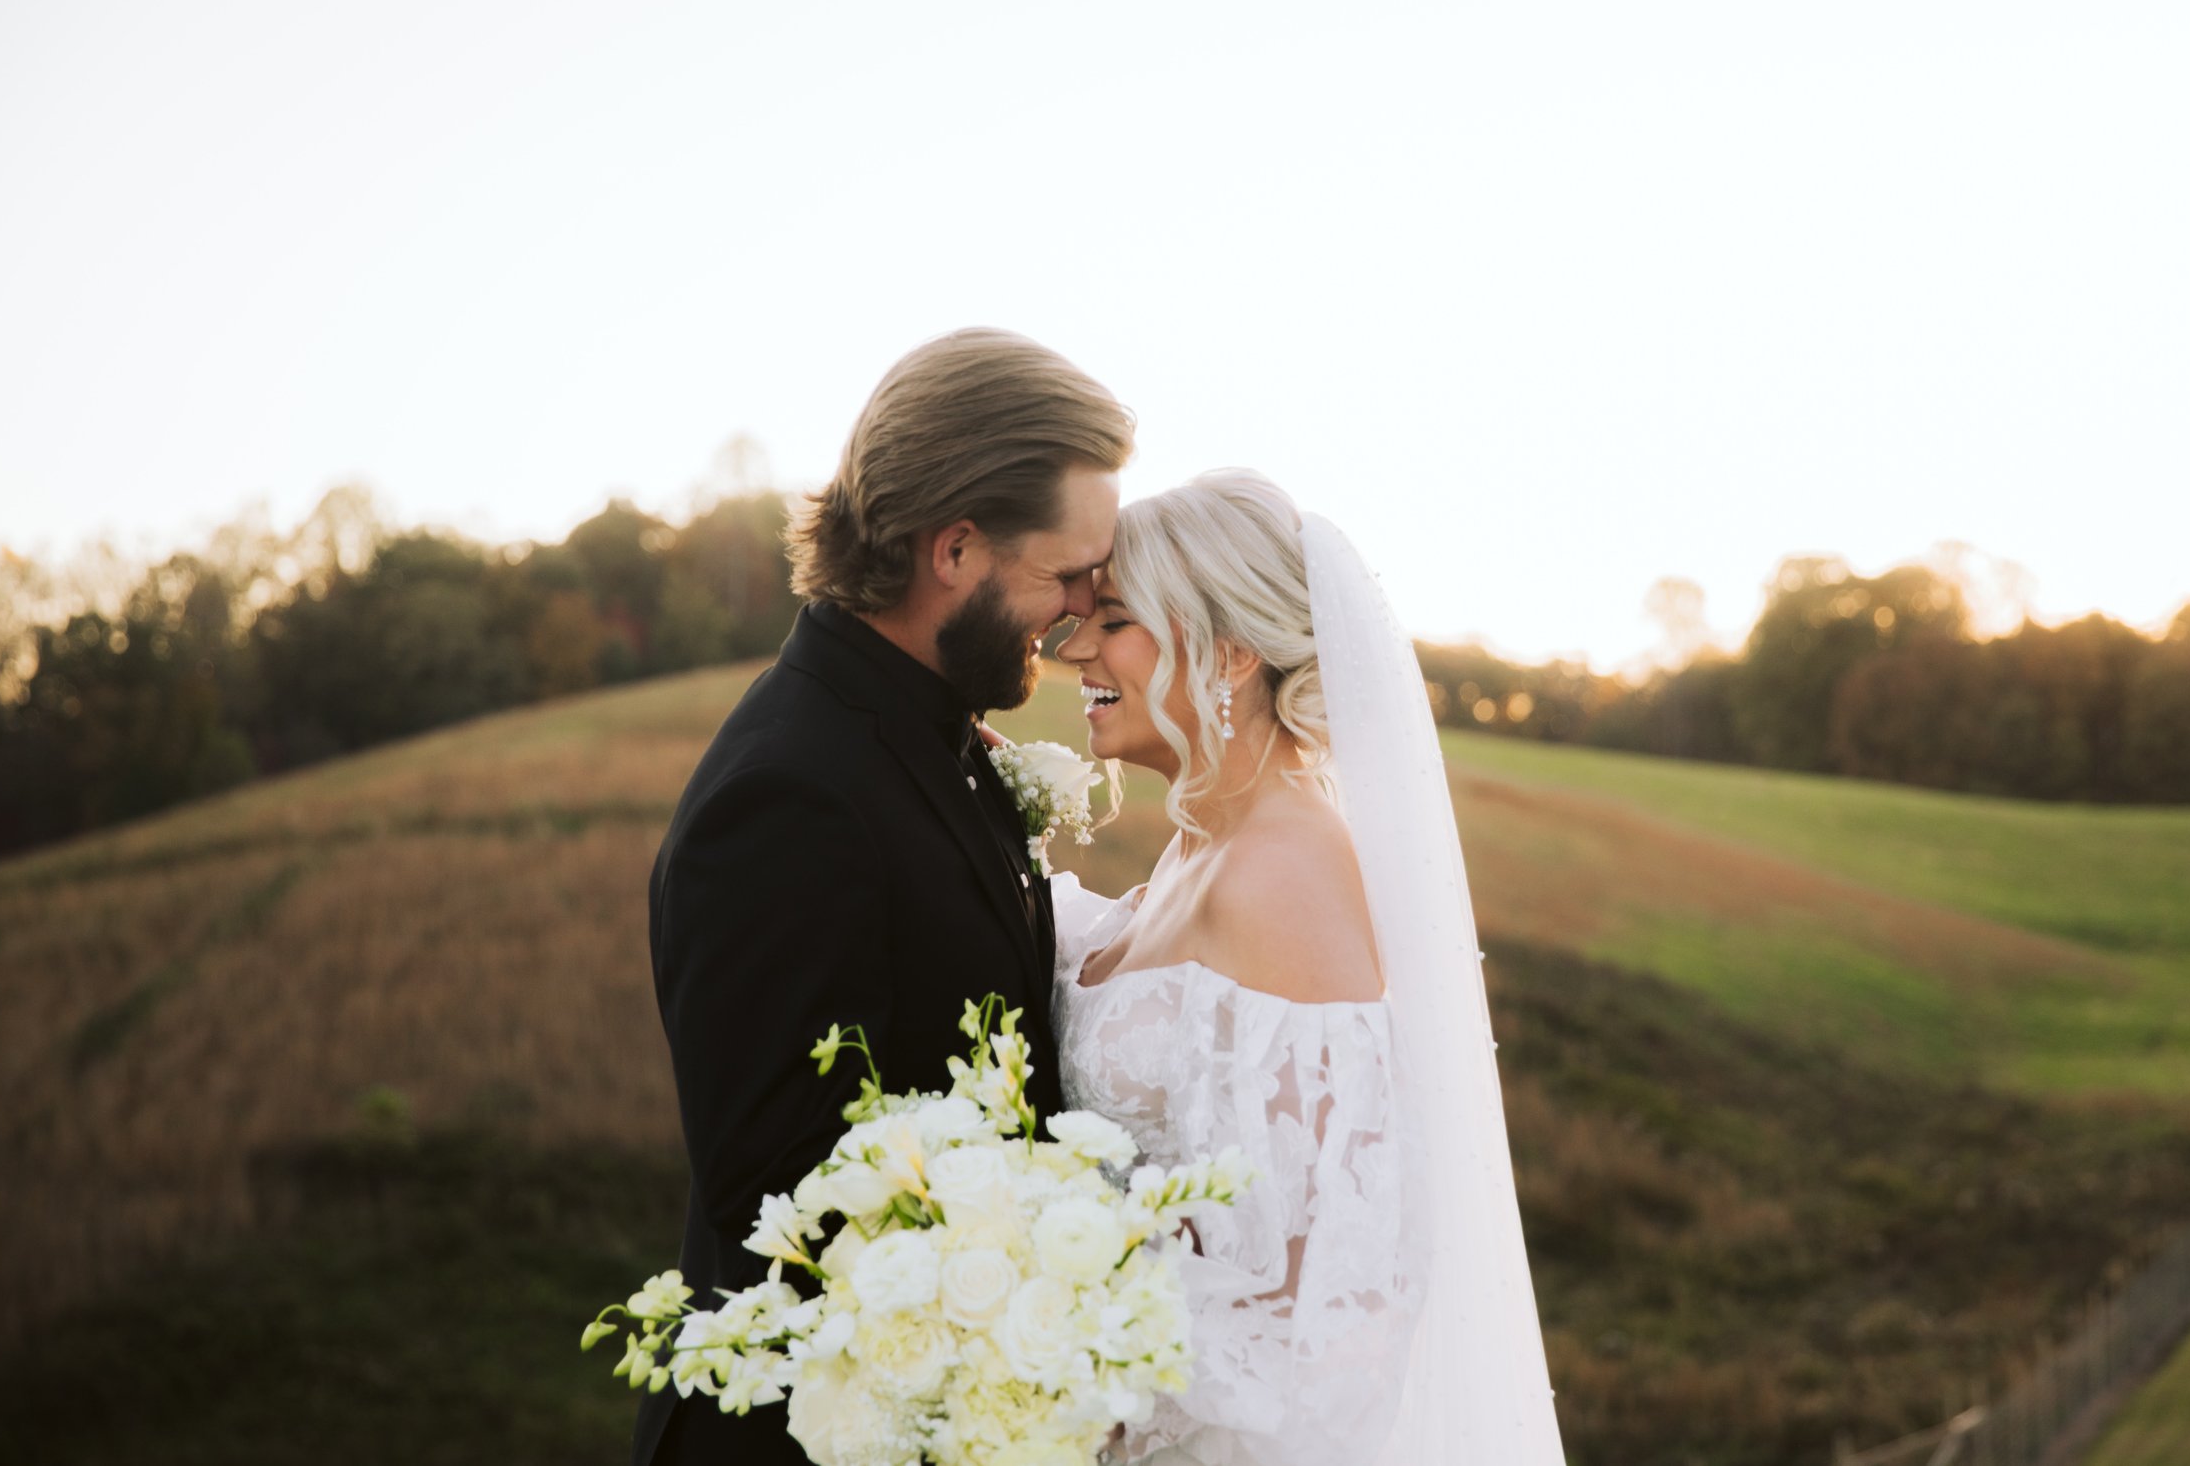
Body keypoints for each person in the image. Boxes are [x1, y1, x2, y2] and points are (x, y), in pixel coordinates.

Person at [632, 328, 1133, 1466]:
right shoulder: (785, 793)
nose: (1080, 610)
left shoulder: (935, 734)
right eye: (1064, 572)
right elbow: (785, 1194)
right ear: (954, 546)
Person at [1050, 470, 1566, 1465]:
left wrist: (1086, 1378)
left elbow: (1330, 1284)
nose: (1075, 647)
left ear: (1230, 651)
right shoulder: (1203, 842)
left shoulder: (1286, 867)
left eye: (1111, 619)